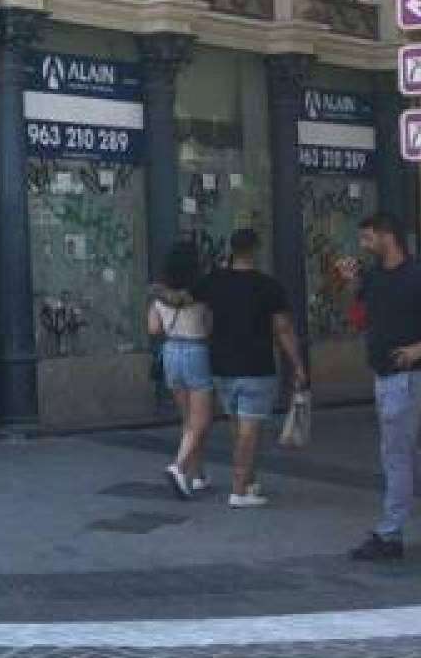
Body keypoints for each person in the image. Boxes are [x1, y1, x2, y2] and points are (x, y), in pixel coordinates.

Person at [195, 228, 309, 508]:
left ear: (231, 250)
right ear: (256, 249)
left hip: (221, 365)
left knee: (238, 427)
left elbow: (200, 314)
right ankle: (239, 490)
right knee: (250, 431)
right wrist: (297, 364)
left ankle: (248, 481)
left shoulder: (214, 282)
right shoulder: (268, 286)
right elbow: (283, 329)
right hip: (256, 366)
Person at [336, 213, 421, 560]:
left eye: (368, 238)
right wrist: (351, 284)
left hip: (407, 376)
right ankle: (391, 528)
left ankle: (390, 532)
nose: (364, 245)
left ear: (388, 236)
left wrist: (417, 350)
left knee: (397, 456)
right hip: (386, 374)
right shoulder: (373, 277)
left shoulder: (415, 275)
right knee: (403, 455)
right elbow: (359, 317)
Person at [149, 241, 213, 499]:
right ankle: (179, 467)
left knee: (189, 420)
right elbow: (209, 328)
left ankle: (197, 475)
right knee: (201, 420)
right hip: (196, 352)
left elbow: (154, 329)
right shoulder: (202, 293)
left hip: (170, 352)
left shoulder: (159, 295)